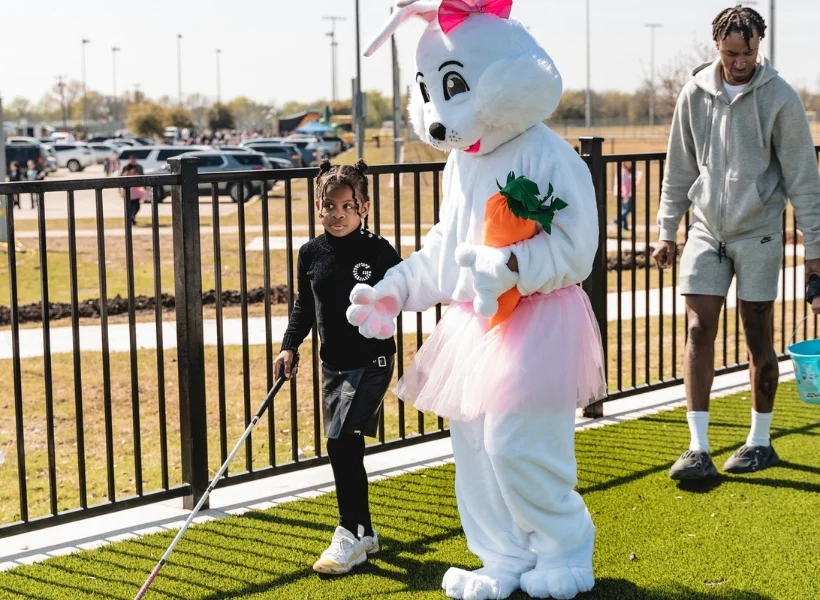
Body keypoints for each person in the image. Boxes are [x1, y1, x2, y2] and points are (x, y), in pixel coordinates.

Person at [653, 6, 820, 481]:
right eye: (730, 53)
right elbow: (678, 169)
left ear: (758, 46)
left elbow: (804, 179)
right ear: (717, 47)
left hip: (759, 230)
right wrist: (667, 230)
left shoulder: (780, 98)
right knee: (698, 329)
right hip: (706, 230)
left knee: (756, 337)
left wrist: (815, 253)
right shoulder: (695, 93)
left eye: (747, 53)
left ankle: (760, 441)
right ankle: (697, 448)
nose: (739, 62)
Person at [273, 159, 402, 576]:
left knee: (341, 442)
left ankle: (350, 532)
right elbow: (304, 306)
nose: (337, 214)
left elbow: (403, 291)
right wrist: (289, 346)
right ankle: (365, 533)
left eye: (347, 205)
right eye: (329, 206)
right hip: (335, 366)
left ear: (363, 206)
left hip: (374, 361)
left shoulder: (378, 251)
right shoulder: (310, 253)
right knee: (345, 445)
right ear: (317, 205)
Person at [612, 162, 642, 232]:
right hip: (623, 194)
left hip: (622, 193)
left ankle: (625, 226)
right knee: (628, 209)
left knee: (624, 208)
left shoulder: (627, 173)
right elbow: (624, 186)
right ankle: (617, 220)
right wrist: (626, 196)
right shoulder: (624, 174)